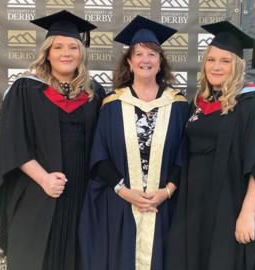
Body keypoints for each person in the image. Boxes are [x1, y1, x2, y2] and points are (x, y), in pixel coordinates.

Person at [0, 10, 105, 270]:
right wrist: (44, 179)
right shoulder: (26, 89)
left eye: (73, 47)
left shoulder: (94, 93)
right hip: (36, 190)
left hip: (80, 191)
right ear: (47, 53)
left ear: (81, 53)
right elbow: (12, 142)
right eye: (58, 47)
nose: (66, 53)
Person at [166, 20, 255, 270]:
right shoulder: (197, 103)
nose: (216, 67)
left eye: (225, 61)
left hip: (230, 205)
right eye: (211, 60)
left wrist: (248, 214)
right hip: (192, 204)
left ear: (238, 65)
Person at [79, 16, 189, 270]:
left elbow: (185, 154)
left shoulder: (178, 104)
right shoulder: (112, 104)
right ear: (129, 62)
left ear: (161, 62)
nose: (146, 60)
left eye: (152, 54)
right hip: (121, 204)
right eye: (139, 54)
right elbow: (100, 155)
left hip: (164, 204)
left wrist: (167, 191)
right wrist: (125, 192)